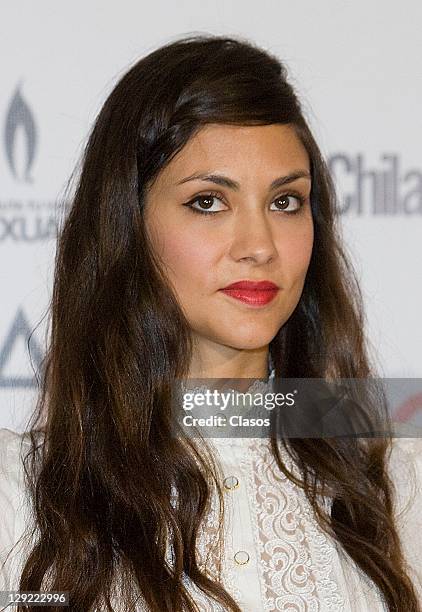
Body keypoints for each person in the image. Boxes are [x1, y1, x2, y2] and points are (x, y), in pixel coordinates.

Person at [0, 33, 421, 612]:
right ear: (127, 225)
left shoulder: (395, 484)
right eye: (208, 201)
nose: (259, 247)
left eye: (285, 202)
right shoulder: (22, 498)